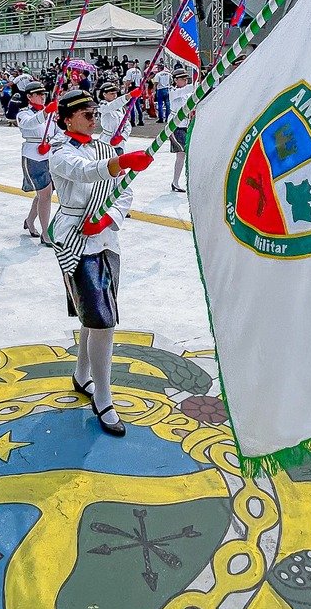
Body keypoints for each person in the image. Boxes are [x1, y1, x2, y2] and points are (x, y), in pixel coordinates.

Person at [48, 89, 155, 437]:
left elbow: (124, 190)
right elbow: (84, 173)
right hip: (75, 238)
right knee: (103, 320)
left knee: (96, 315)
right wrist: (121, 162)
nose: (95, 119)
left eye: (96, 112)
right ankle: (103, 398)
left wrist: (108, 217)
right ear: (68, 119)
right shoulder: (60, 153)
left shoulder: (106, 149)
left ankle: (82, 376)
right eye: (87, 114)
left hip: (106, 237)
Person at [17, 81, 59, 242]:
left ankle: (29, 221)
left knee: (44, 194)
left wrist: (54, 142)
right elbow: (29, 124)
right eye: (38, 94)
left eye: (43, 94)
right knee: (45, 194)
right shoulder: (24, 113)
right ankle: (46, 233)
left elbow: (57, 132)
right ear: (29, 96)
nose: (42, 97)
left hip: (49, 155)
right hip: (33, 156)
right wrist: (45, 113)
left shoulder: (49, 114)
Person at [167, 67, 195, 192]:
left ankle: (177, 182)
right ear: (175, 80)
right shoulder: (172, 91)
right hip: (176, 126)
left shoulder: (187, 92)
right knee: (181, 155)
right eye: (182, 79)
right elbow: (184, 91)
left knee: (185, 155)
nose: (185, 81)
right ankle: (176, 182)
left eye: (186, 79)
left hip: (187, 125)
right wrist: (197, 83)